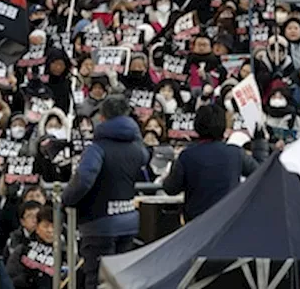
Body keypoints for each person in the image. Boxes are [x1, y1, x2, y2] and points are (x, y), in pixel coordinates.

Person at [61, 96, 149, 289]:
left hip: (99, 222)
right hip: (128, 219)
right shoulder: (136, 146)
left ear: (102, 117)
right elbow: (144, 158)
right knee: (122, 280)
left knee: (97, 279)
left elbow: (83, 180)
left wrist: (66, 198)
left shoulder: (97, 148)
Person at [161, 103, 257, 221]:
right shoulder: (236, 153)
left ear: (197, 125)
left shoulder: (187, 155)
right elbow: (259, 173)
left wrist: (167, 174)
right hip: (229, 220)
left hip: (197, 223)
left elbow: (171, 188)